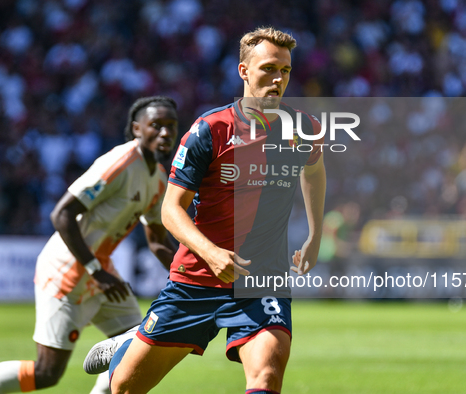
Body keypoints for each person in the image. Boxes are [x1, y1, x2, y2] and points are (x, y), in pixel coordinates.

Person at [84, 27, 326, 394]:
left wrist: (315, 233)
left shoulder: (303, 129)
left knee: (266, 378)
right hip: (196, 280)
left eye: (286, 71)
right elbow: (170, 210)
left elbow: (314, 170)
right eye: (268, 69)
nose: (278, 80)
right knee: (123, 389)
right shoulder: (209, 130)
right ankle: (130, 342)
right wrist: (211, 253)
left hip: (262, 281)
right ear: (243, 71)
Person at [0, 96, 179, 394]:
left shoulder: (158, 178)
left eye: (171, 126)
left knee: (136, 347)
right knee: (47, 372)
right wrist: (96, 271)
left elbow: (157, 240)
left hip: (100, 272)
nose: (165, 133)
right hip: (67, 271)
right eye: (156, 125)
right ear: (136, 128)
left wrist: (187, 276)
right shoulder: (119, 162)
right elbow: (62, 213)